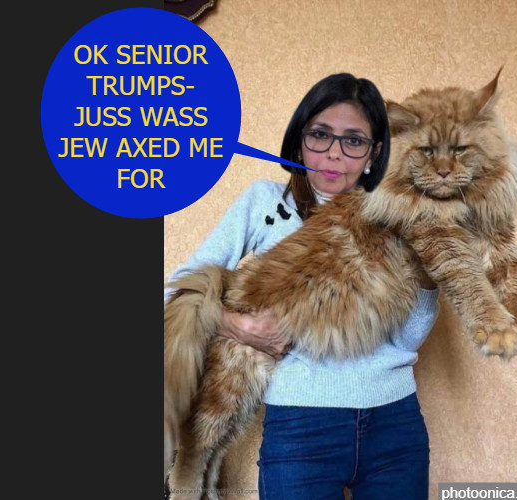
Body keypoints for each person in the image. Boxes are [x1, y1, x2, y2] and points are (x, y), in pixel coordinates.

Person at [165, 73, 439, 500]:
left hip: (395, 425)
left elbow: (406, 339)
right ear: (299, 141)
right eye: (320, 134)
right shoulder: (265, 202)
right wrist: (242, 327)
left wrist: (428, 272)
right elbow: (173, 294)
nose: (334, 152)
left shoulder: (397, 214)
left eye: (353, 141)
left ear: (374, 154)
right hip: (300, 427)